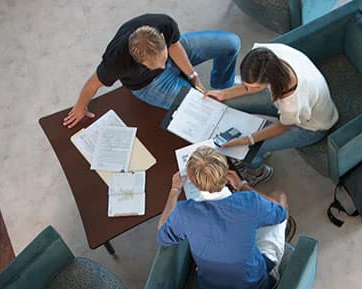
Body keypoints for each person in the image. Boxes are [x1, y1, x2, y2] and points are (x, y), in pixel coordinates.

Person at [63, 13, 240, 128]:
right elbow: (93, 84)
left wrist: (193, 76)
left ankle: (222, 86)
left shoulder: (163, 24)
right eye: (154, 65)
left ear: (162, 37)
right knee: (204, 109)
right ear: (137, 61)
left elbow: (175, 46)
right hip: (149, 84)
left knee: (231, 43)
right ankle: (213, 100)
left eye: (162, 60)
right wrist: (80, 107)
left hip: (173, 51)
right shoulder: (116, 61)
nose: (163, 67)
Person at [205, 43, 339, 185]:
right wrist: (223, 94)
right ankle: (262, 148)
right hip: (293, 106)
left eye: (252, 87)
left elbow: (283, 126)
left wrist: (246, 140)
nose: (246, 89)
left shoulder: (291, 102)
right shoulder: (267, 56)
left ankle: (259, 173)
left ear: (271, 81)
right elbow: (250, 86)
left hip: (311, 126)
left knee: (248, 150)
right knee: (228, 103)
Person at [157, 146, 288, 289]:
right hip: (256, 283)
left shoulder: (183, 212)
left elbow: (161, 235)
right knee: (279, 197)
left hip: (211, 284)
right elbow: (280, 213)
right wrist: (241, 185)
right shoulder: (248, 201)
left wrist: (174, 191)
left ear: (193, 182)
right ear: (226, 174)